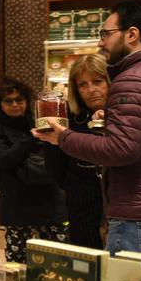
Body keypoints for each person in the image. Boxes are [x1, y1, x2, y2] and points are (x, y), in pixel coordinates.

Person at [35, 1, 141, 256]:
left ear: (131, 34)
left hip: (139, 215)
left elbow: (121, 150)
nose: (100, 42)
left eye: (106, 34)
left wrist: (63, 138)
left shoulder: (133, 78)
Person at [0, 79, 67, 263]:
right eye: (9, 101)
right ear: (0, 104)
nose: (15, 105)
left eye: (19, 100)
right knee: (17, 263)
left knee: (58, 260)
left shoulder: (42, 121)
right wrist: (30, 139)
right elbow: (5, 160)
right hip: (18, 203)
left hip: (50, 199)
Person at [43, 55, 109, 249]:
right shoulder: (67, 117)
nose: (91, 90)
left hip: (121, 203)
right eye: (82, 84)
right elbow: (54, 165)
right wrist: (74, 187)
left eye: (98, 81)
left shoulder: (126, 112)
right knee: (86, 261)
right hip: (81, 200)